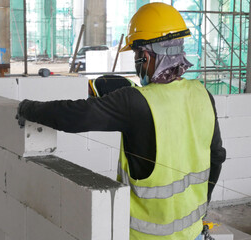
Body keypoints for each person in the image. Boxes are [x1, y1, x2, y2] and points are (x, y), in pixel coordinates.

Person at [16, 3, 226, 240]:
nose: (137, 61)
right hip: (193, 233)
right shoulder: (203, 94)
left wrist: (27, 108)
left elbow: (75, 115)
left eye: (137, 55)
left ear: (146, 56)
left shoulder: (134, 102)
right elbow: (217, 156)